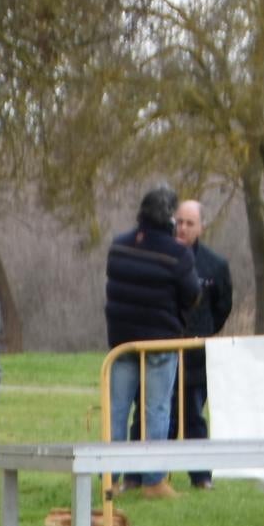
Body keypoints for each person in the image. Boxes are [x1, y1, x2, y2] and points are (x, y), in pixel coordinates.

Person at [102, 185, 200, 497]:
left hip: (122, 344)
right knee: (157, 409)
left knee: (117, 410)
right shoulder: (178, 254)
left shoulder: (119, 247)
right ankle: (153, 481)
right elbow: (192, 294)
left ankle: (111, 479)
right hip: (160, 342)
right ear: (170, 219)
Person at [173, 197, 234, 489]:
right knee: (163, 417)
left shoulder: (215, 265)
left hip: (198, 357)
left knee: (194, 417)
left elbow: (222, 307)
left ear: (201, 227)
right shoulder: (164, 258)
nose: (182, 228)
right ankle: (152, 476)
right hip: (164, 351)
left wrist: (205, 332)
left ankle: (200, 477)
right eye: (179, 222)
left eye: (189, 223)